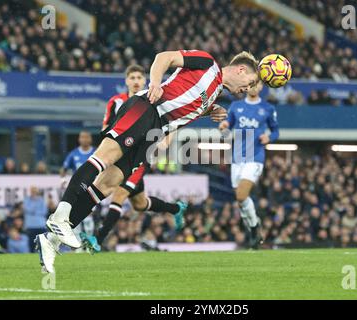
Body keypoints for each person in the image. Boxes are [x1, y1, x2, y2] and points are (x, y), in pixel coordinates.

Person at [37, 49, 258, 273]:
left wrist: (209, 111)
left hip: (155, 132)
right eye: (249, 83)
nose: (247, 89)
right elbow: (164, 57)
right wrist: (155, 83)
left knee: (108, 183)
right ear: (241, 69)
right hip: (146, 109)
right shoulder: (208, 63)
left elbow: (183, 104)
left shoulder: (214, 93)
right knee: (103, 158)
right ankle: (61, 216)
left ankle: (51, 241)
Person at [81, 65, 189, 252]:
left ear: (145, 80)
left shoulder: (153, 100)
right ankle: (175, 209)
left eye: (139, 77)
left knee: (119, 194)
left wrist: (166, 142)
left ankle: (98, 239)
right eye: (132, 77)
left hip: (141, 156)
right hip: (120, 155)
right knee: (140, 204)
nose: (136, 81)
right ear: (126, 81)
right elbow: (105, 128)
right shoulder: (116, 102)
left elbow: (173, 122)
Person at [219, 80, 279, 249]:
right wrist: (223, 126)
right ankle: (253, 228)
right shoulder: (235, 106)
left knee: (241, 195)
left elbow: (276, 131)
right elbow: (227, 127)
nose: (254, 87)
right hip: (237, 157)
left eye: (257, 84)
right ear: (246, 86)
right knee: (240, 201)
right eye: (251, 84)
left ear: (261, 87)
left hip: (255, 156)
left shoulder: (268, 109)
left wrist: (269, 138)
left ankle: (254, 227)